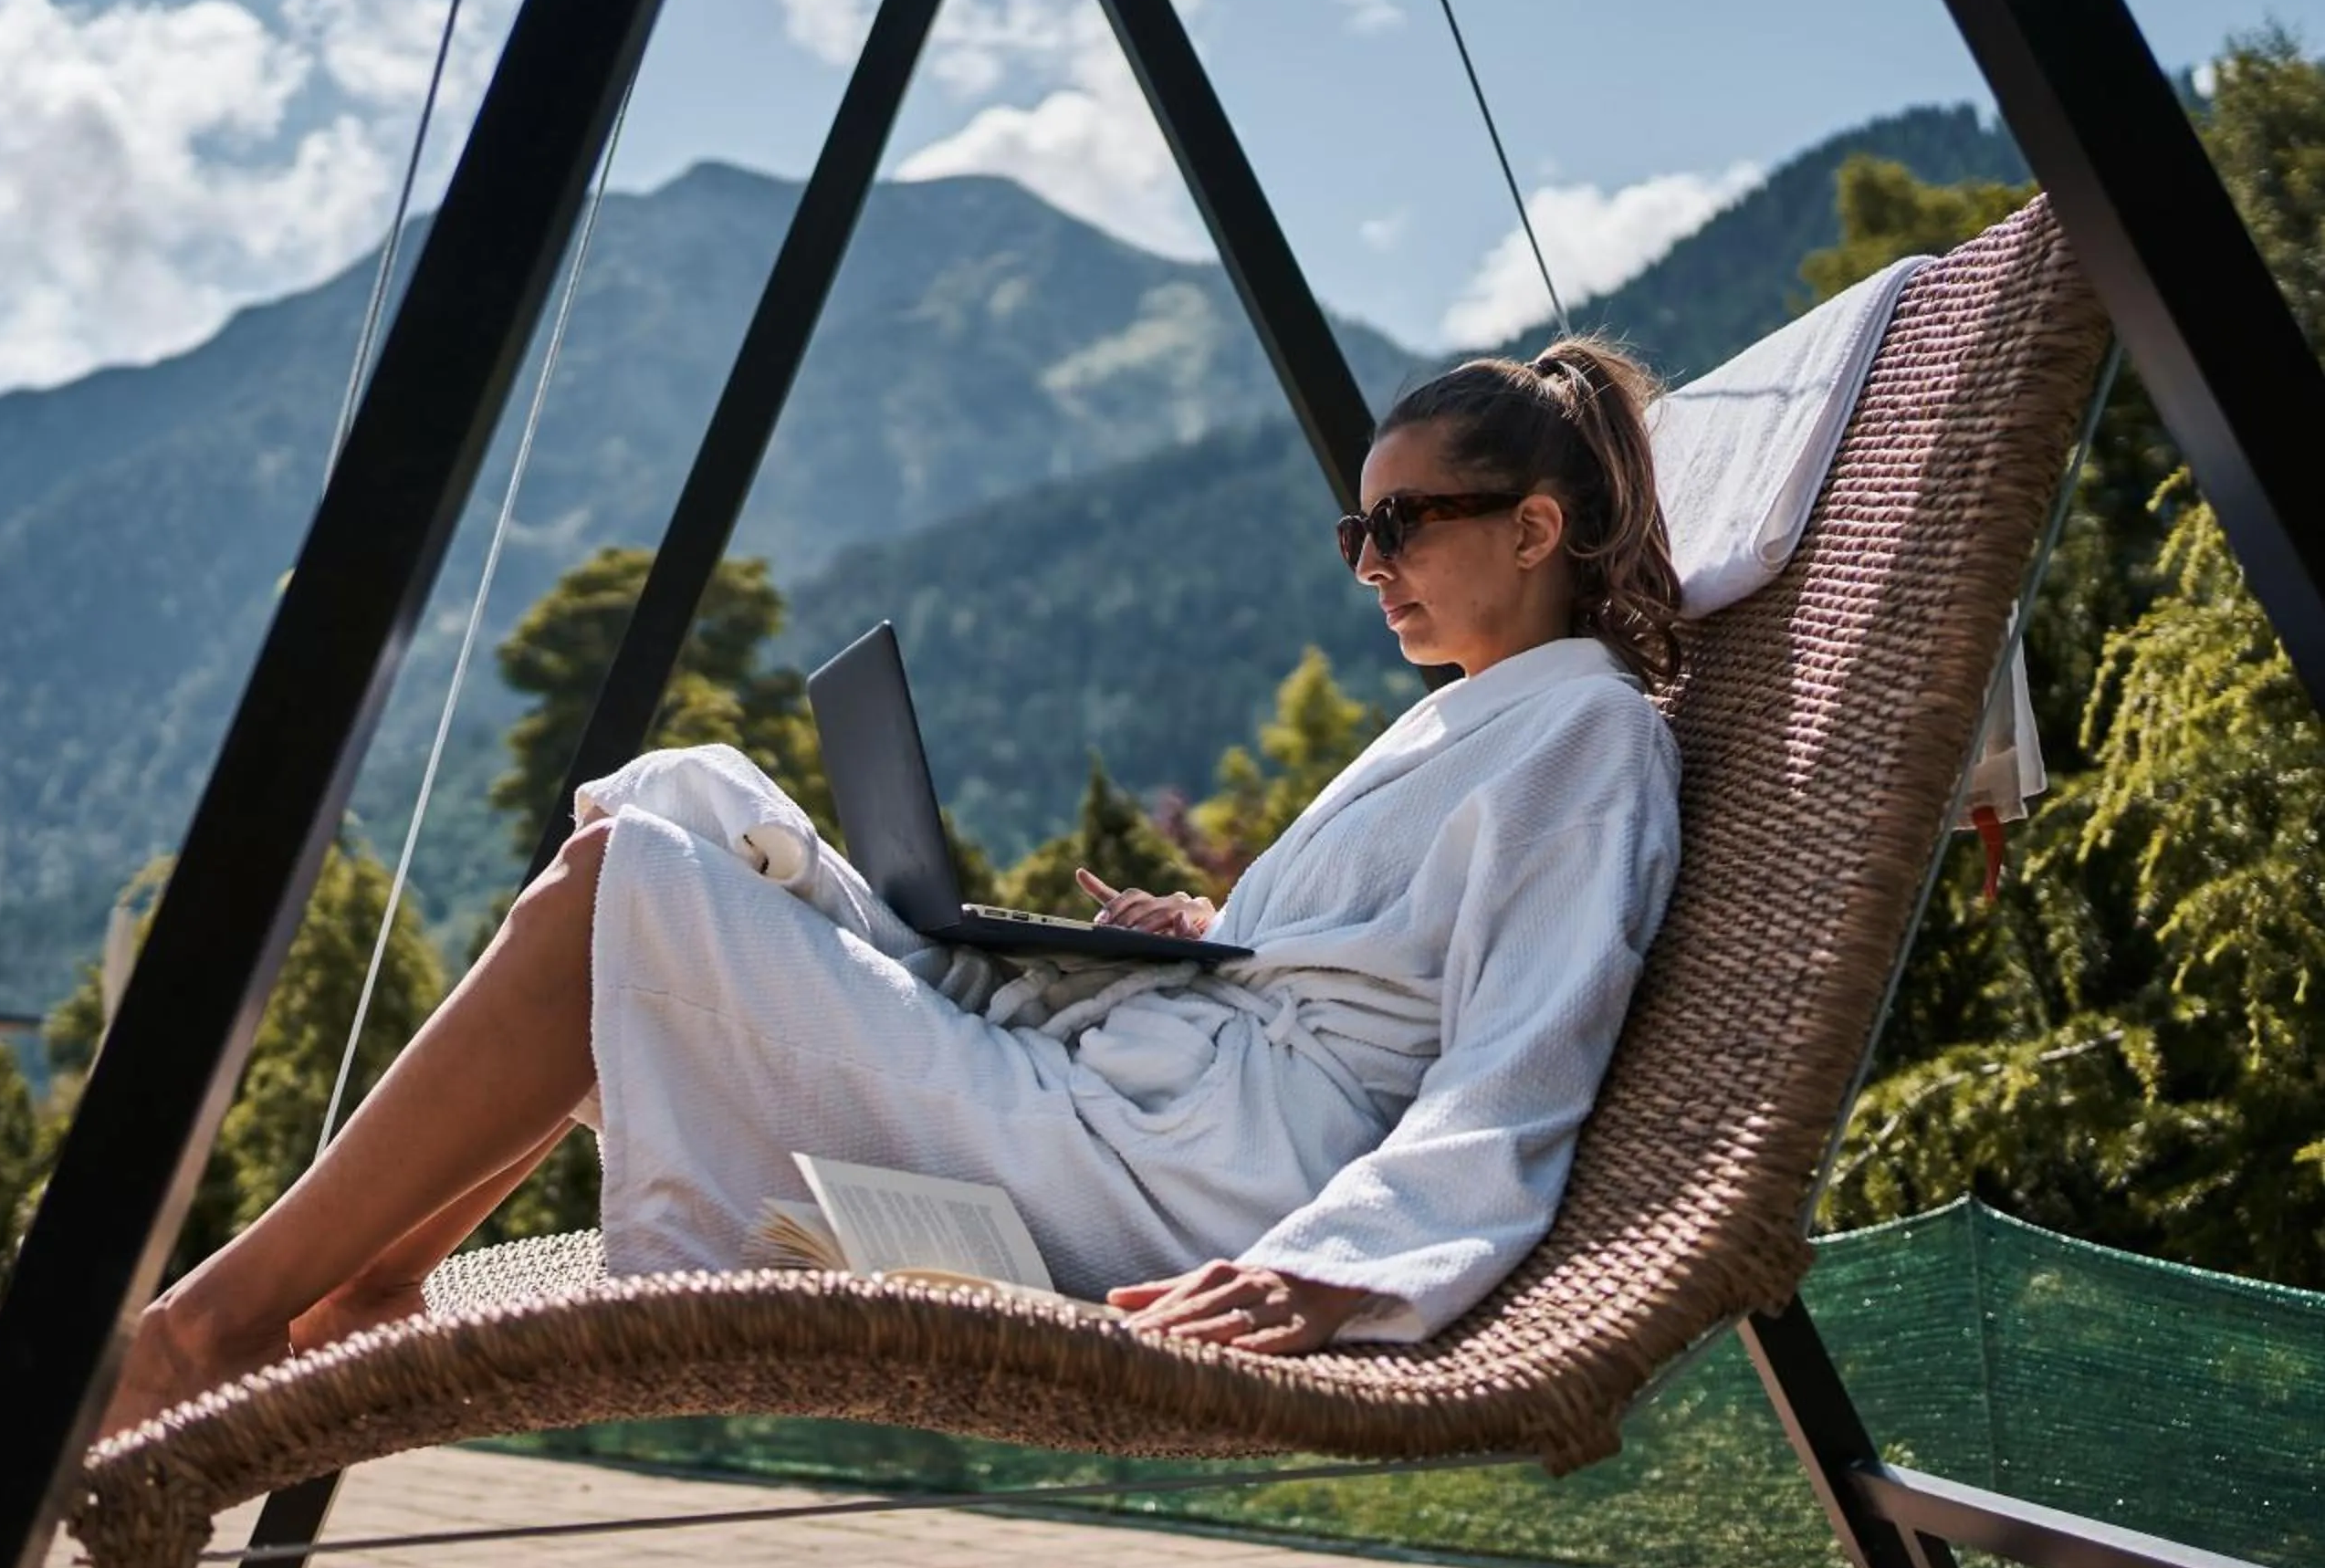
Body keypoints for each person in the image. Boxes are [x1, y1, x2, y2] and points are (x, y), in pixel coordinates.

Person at [100, 338, 1686, 1441]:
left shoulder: (1589, 737)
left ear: (1536, 526)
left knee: (621, 893)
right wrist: (1206, 940)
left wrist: (1333, 1265)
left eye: (1404, 523)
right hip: (1152, 1098)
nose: (1371, 562)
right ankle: (374, 1275)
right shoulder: (1475, 715)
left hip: (1203, 1188)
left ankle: (207, 1327)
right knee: (685, 796)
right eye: (1358, 527)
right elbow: (1382, 968)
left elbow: (1516, 1062)